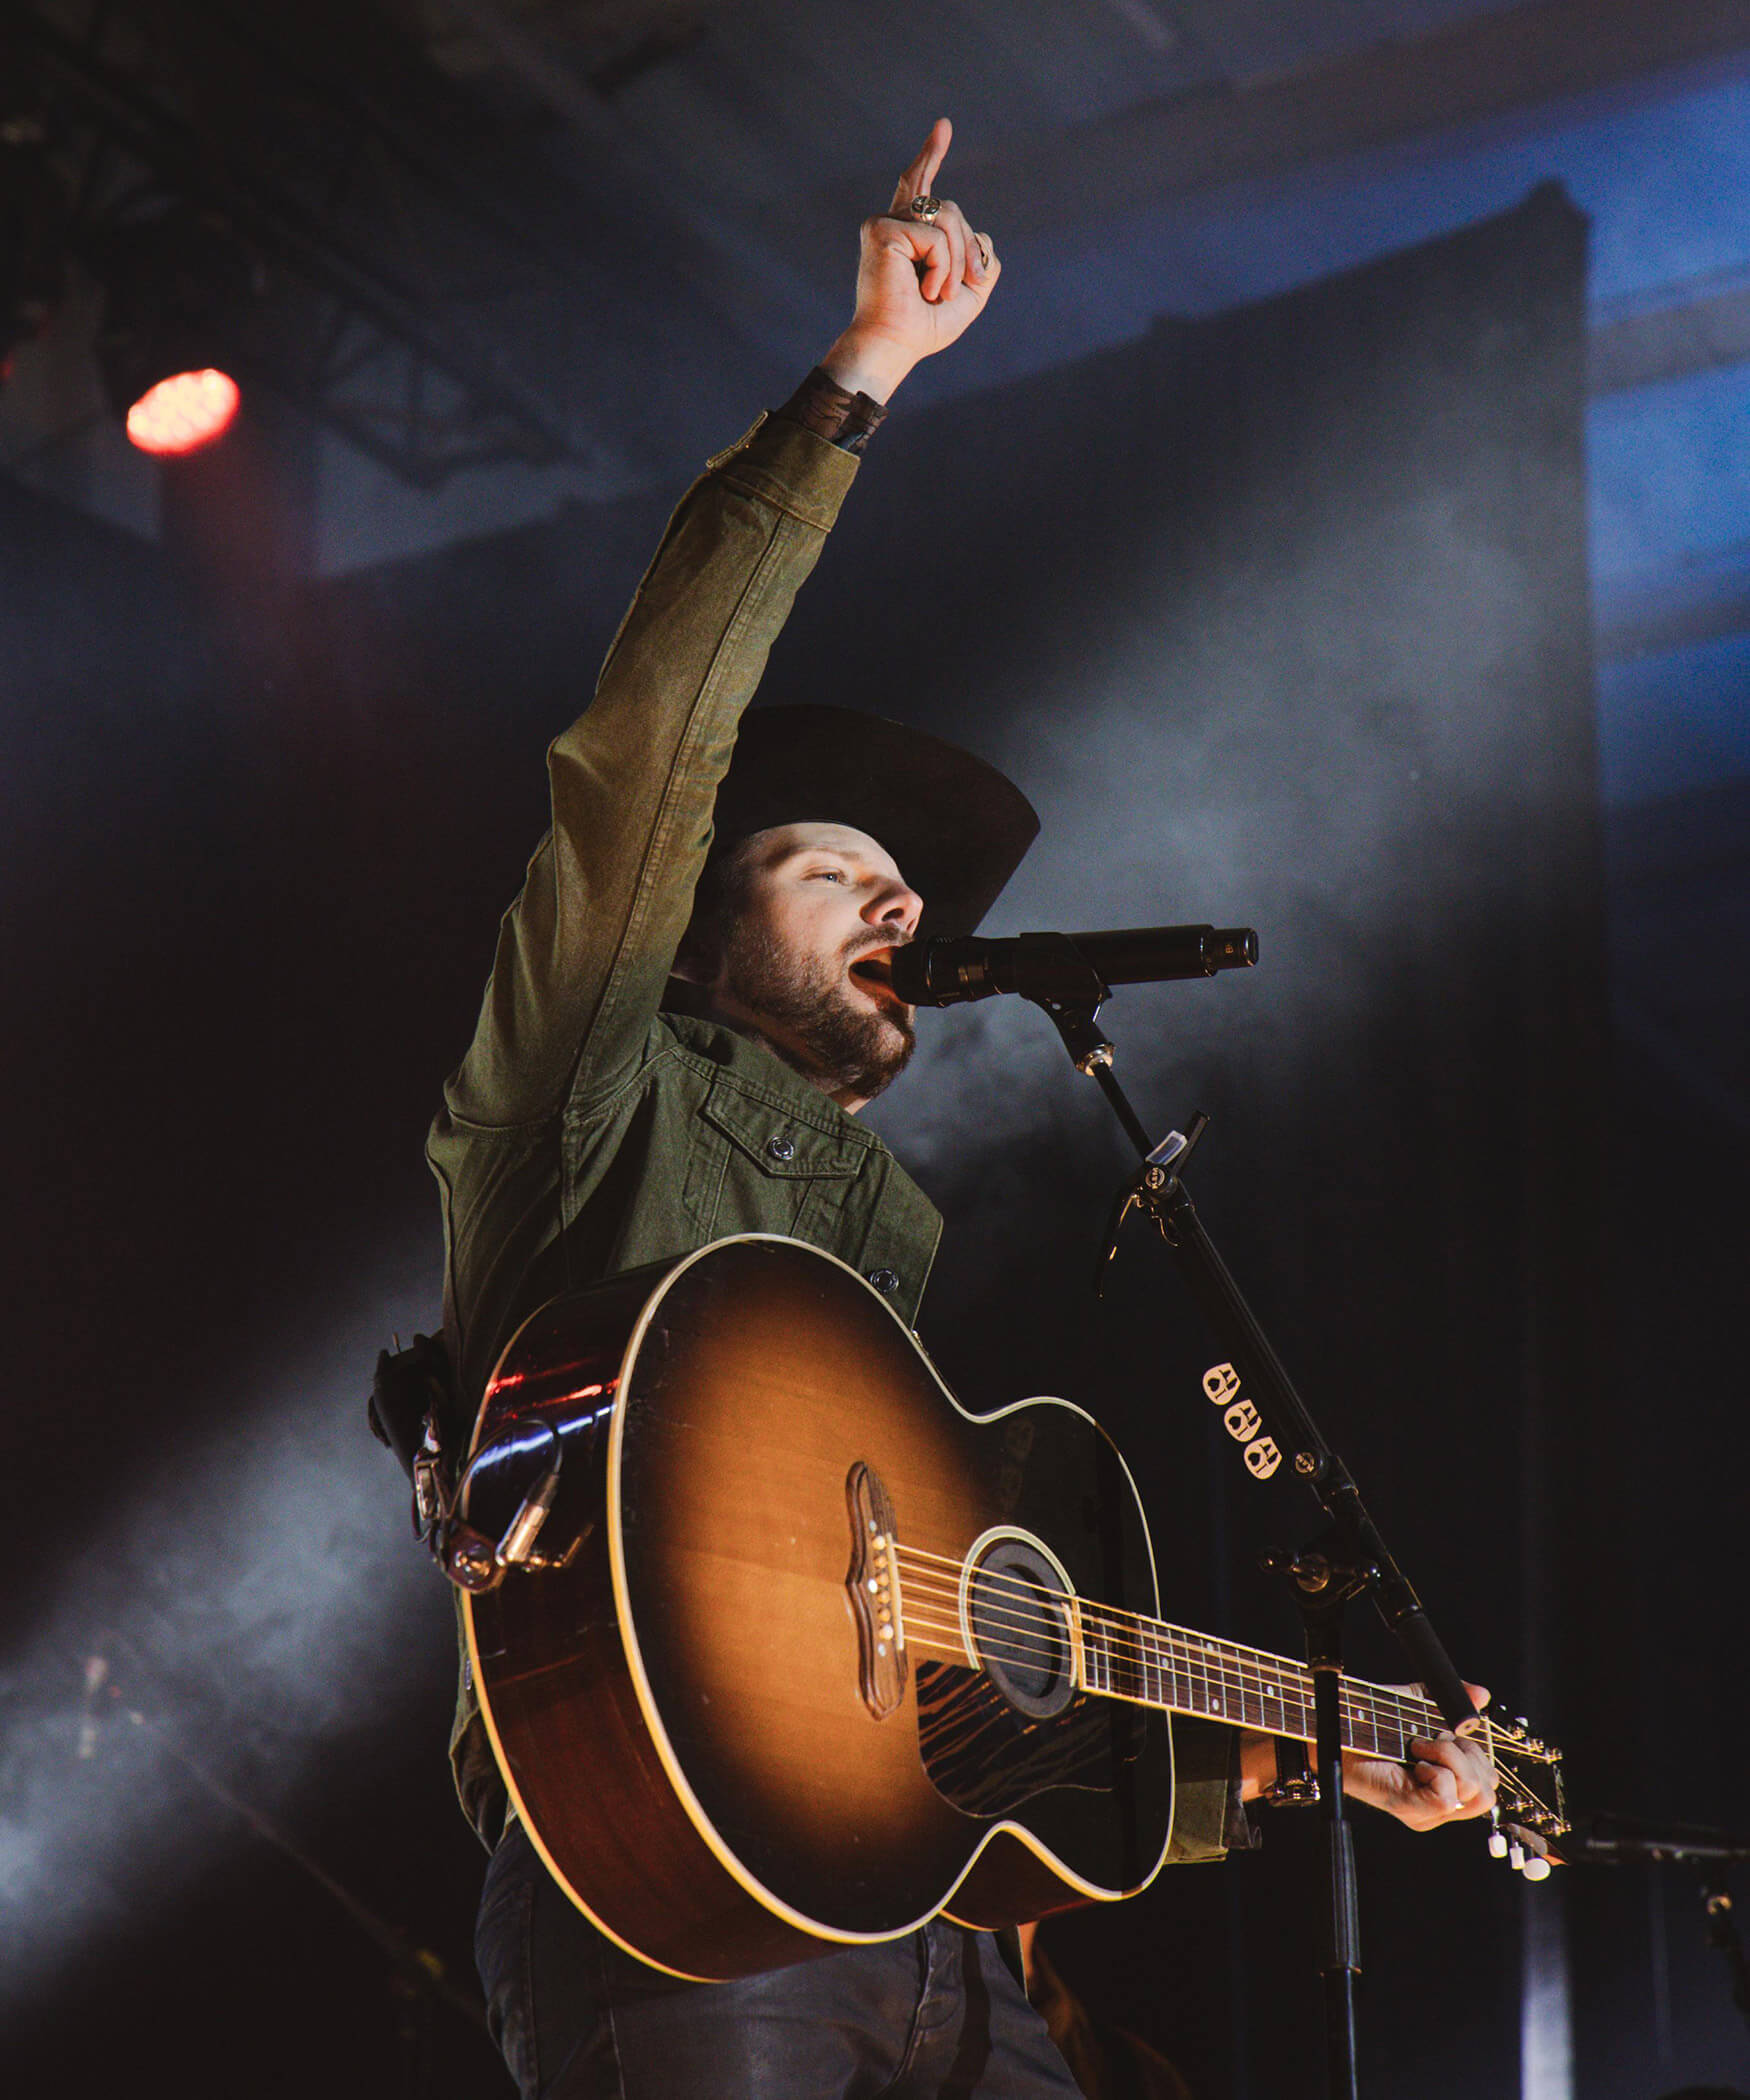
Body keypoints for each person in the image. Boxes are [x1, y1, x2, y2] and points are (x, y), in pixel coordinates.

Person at [428, 118, 1498, 2100]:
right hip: (669, 1915)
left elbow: (973, 1718)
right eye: (829, 869)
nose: (899, 904)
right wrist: (863, 381)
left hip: (933, 1946)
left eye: (901, 890)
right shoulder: (588, 1090)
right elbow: (650, 740)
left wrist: (1321, 1751)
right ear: (691, 926)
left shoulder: (868, 1260)